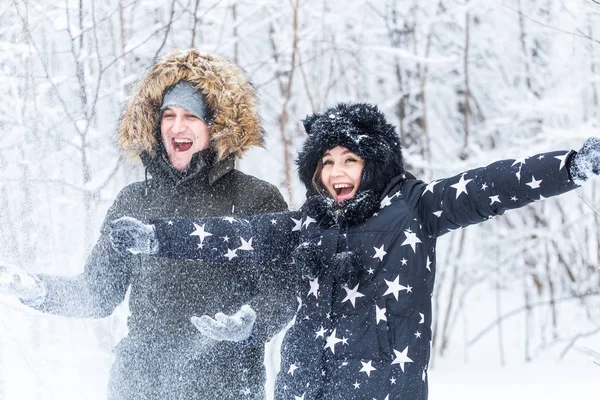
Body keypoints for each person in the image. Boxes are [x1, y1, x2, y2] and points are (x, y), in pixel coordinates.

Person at [108, 102, 600, 399]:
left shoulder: (415, 208)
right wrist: (159, 237)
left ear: (374, 162)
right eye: (326, 161)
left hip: (381, 390)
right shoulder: (308, 223)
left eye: (350, 159)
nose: (337, 173)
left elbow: (490, 185)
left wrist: (571, 166)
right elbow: (239, 236)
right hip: (303, 386)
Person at [0, 49, 296, 399]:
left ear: (216, 126)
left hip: (225, 385)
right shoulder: (133, 201)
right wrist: (38, 289)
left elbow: (281, 293)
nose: (176, 126)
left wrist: (250, 324)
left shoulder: (256, 200)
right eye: (168, 115)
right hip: (138, 385)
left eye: (191, 116)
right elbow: (97, 293)